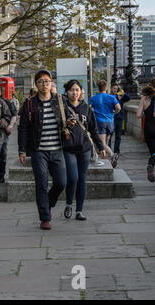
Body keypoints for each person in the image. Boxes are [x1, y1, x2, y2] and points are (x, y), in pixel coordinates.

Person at [18, 69, 73, 231]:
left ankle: (48, 203)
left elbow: (68, 117)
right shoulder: (29, 104)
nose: (44, 84)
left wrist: (69, 122)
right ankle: (44, 217)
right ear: (36, 84)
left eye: (47, 81)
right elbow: (23, 129)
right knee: (41, 183)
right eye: (41, 81)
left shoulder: (60, 101)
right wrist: (22, 150)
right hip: (38, 151)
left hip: (57, 150)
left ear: (51, 83)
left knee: (61, 182)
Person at [62, 80, 107, 221]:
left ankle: (79, 210)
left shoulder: (87, 108)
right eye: (71, 90)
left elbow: (93, 130)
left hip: (85, 148)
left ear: (81, 91)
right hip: (68, 148)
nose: (74, 93)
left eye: (77, 90)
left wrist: (101, 147)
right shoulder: (62, 108)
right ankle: (69, 203)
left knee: (82, 179)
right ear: (67, 92)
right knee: (72, 178)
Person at [89, 80, 121, 168]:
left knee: (102, 144)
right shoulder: (111, 97)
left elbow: (88, 109)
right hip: (110, 122)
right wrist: (113, 114)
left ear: (98, 88)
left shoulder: (94, 98)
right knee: (106, 143)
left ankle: (112, 155)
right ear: (106, 88)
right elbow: (118, 108)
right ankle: (107, 162)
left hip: (100, 122)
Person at [0, 85, 17, 183]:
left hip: (3, 134)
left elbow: (14, 116)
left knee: (2, 155)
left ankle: (1, 175)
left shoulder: (6, 102)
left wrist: (10, 126)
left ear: (0, 92)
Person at [136, 80, 155, 182]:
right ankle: (151, 165)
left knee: (153, 152)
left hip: (148, 129)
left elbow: (138, 115)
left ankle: (151, 165)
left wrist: (146, 114)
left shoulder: (144, 99)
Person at [108, 84, 130, 155]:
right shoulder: (110, 97)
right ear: (111, 88)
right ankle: (109, 150)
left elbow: (128, 98)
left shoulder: (121, 97)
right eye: (114, 88)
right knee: (110, 135)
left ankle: (116, 151)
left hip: (120, 119)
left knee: (118, 136)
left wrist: (123, 93)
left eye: (116, 89)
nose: (115, 90)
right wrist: (116, 97)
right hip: (112, 119)